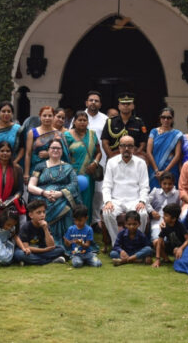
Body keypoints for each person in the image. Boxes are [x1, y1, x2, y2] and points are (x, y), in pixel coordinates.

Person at [27, 138, 80, 243]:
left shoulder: (68, 167)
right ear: (48, 150)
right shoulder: (40, 166)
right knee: (39, 207)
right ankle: (43, 240)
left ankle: (67, 241)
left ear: (62, 151)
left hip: (62, 198)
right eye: (53, 148)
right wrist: (44, 193)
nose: (55, 150)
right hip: (42, 197)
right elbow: (30, 186)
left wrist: (61, 193)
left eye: (58, 148)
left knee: (66, 207)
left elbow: (74, 184)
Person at [101, 135, 150, 242]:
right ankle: (116, 243)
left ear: (134, 148)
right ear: (119, 147)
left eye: (130, 146)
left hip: (134, 200)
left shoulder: (141, 163)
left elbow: (144, 186)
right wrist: (108, 201)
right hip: (116, 200)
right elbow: (106, 185)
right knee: (107, 212)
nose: (126, 149)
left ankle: (137, 243)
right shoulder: (111, 162)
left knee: (142, 213)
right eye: (123, 146)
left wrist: (142, 201)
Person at [64, 111, 102, 223]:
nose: (82, 122)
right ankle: (71, 227)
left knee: (86, 201)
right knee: (71, 200)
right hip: (71, 174)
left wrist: (95, 163)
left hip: (88, 173)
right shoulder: (67, 135)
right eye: (79, 120)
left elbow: (99, 152)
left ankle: (86, 227)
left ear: (88, 122)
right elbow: (63, 155)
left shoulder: (92, 134)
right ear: (74, 122)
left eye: (84, 120)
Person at [0, 141, 26, 228]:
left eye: (7, 151)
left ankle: (12, 234)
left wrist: (11, 200)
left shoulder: (17, 169)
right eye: (2, 151)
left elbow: (20, 191)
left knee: (13, 208)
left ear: (11, 153)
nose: (5, 153)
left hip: (11, 201)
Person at [82, 91, 108, 228]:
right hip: (81, 159)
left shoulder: (105, 119)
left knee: (99, 191)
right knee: (83, 189)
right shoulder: (80, 116)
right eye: (91, 100)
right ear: (86, 102)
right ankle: (81, 218)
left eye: (96, 100)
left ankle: (96, 220)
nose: (93, 102)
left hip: (100, 159)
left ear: (100, 104)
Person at [13, 199, 66, 265]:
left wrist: (45, 229)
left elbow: (51, 246)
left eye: (44, 212)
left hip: (41, 251)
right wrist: (45, 250)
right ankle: (50, 261)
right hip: (30, 251)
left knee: (61, 249)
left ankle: (31, 261)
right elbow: (26, 248)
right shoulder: (26, 227)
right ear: (31, 215)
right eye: (39, 213)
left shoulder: (45, 225)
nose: (42, 215)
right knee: (19, 254)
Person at [24, 106, 68, 181]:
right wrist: (26, 173)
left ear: (53, 117)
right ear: (40, 116)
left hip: (53, 170)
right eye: (44, 115)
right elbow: (28, 154)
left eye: (50, 116)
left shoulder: (58, 134)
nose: (47, 118)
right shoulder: (32, 132)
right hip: (35, 169)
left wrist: (49, 154)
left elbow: (64, 154)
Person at [101, 93, 147, 159]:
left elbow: (143, 143)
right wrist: (111, 157)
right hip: (114, 157)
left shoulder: (139, 122)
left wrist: (135, 156)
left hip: (134, 158)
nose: (125, 106)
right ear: (119, 106)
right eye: (123, 104)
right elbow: (105, 142)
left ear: (133, 106)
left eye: (128, 104)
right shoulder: (110, 122)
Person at [146, 107, 183, 190]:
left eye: (169, 118)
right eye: (163, 117)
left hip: (170, 169)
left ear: (172, 119)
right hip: (154, 168)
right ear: (160, 118)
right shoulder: (154, 132)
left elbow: (177, 155)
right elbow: (148, 151)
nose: (166, 120)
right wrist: (156, 170)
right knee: (154, 193)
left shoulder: (177, 134)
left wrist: (165, 171)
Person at [147, 172, 181, 245]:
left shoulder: (177, 194)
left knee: (168, 240)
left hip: (171, 223)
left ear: (173, 183)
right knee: (157, 239)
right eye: (164, 183)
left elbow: (180, 208)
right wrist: (152, 211)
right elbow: (146, 203)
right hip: (157, 221)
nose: (167, 186)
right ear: (160, 183)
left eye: (170, 184)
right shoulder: (155, 191)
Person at [152, 203, 188, 268]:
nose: (163, 217)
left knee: (176, 250)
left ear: (174, 218)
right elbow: (159, 243)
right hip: (170, 247)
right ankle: (166, 259)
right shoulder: (165, 226)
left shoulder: (180, 226)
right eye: (163, 214)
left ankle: (179, 258)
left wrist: (181, 248)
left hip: (181, 247)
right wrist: (157, 259)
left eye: (166, 215)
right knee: (155, 242)